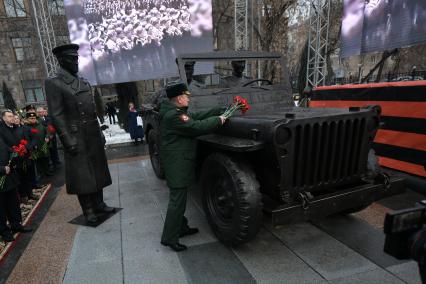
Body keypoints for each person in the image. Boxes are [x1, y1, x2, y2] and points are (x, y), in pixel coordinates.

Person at [44, 43, 114, 224]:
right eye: (71, 59)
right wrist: (67, 139)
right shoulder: (54, 83)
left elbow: (91, 110)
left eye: (76, 58)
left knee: (97, 170)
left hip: (91, 132)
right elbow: (56, 115)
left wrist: (99, 131)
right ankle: (88, 210)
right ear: (61, 60)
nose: (76, 62)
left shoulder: (83, 82)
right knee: (83, 175)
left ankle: (99, 204)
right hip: (76, 135)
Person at [159, 82, 226, 252]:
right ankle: (169, 238)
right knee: (177, 202)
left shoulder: (175, 112)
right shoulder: (174, 116)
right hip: (177, 165)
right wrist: (218, 120)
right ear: (179, 99)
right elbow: (197, 127)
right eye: (186, 96)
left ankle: (181, 228)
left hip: (178, 163)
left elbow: (196, 116)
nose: (188, 98)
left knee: (179, 200)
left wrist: (217, 110)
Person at [0, 111, 32, 242]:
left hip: (9, 175)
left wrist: (16, 153)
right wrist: (2, 169)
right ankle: (4, 231)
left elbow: (6, 149)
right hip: (1, 175)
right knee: (1, 207)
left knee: (13, 202)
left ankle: (16, 225)